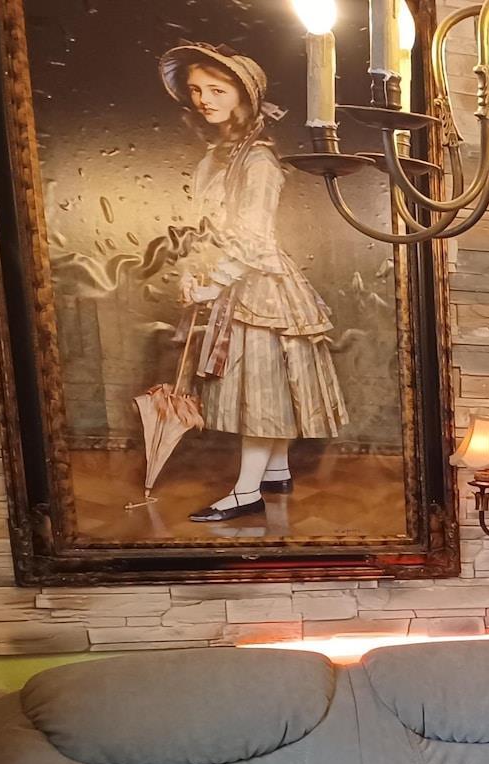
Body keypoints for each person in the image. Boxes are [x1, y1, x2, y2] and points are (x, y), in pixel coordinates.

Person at [160, 43, 346, 523]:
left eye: (216, 90)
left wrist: (216, 282)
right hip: (233, 279)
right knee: (266, 385)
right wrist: (193, 271)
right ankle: (276, 469)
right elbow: (202, 226)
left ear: (244, 97)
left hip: (258, 288)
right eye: (196, 89)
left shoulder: (258, 160)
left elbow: (255, 235)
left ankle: (247, 493)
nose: (203, 99)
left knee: (260, 391)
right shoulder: (219, 155)